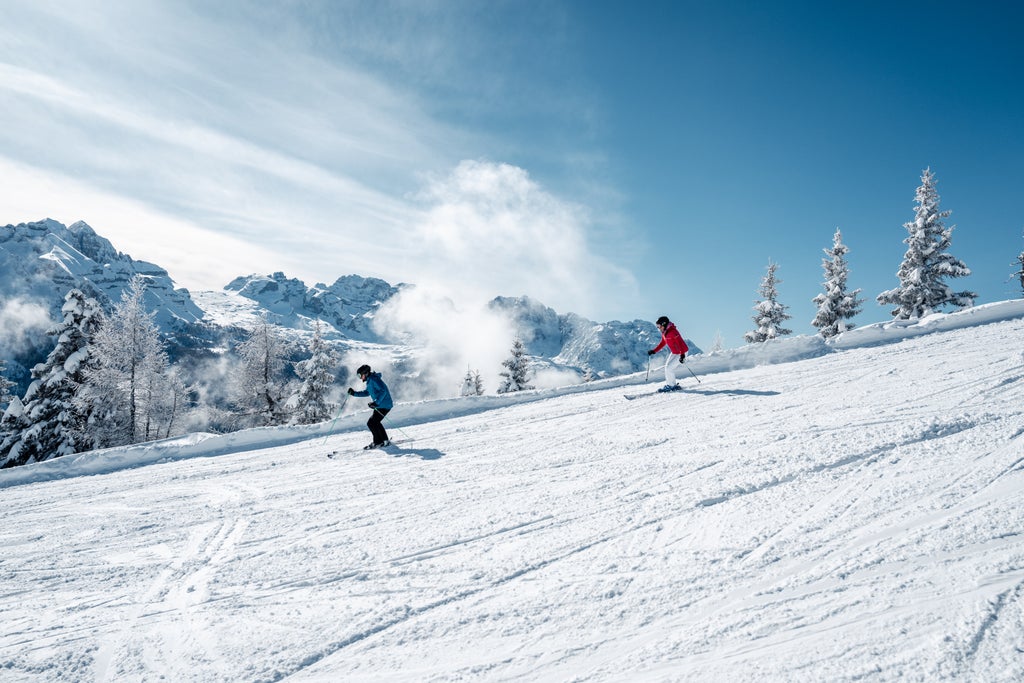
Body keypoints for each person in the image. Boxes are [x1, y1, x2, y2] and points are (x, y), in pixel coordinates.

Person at [347, 364, 394, 449]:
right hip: (380, 405)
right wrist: (354, 393)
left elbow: (383, 390)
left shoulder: (374, 379)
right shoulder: (370, 381)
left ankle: (381, 441)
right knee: (372, 422)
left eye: (360, 375)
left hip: (384, 404)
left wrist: (376, 402)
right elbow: (366, 392)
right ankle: (380, 441)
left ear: (365, 373)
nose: (360, 378)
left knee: (373, 422)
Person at [647, 316, 690, 392]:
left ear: (664, 324)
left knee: (669, 368)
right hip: (674, 352)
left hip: (682, 351)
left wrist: (682, 355)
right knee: (667, 367)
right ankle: (672, 385)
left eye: (659, 326)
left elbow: (680, 343)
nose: (658, 328)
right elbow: (663, 343)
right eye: (657, 326)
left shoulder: (673, 332)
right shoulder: (664, 333)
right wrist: (654, 351)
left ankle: (671, 386)